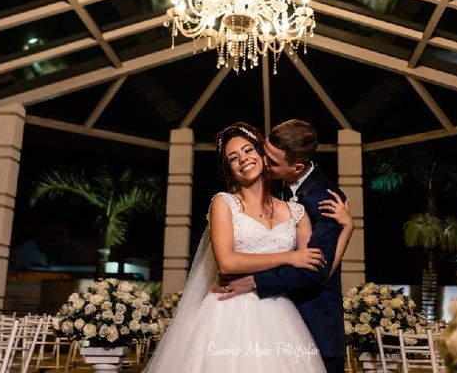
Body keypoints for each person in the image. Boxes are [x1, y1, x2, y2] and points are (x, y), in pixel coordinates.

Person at [144, 122, 353, 372]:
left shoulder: (306, 205)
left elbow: (317, 267)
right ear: (229, 169)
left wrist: (348, 229)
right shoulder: (225, 202)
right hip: (227, 312)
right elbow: (227, 262)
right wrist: (289, 256)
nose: (244, 159)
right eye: (233, 158)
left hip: (288, 315)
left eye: (249, 151)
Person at [216, 119, 352, 373]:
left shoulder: (327, 199)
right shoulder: (274, 186)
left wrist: (255, 281)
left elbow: (316, 268)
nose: (263, 162)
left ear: (297, 167)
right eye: (263, 152)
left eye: (272, 161)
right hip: (265, 320)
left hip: (315, 322)